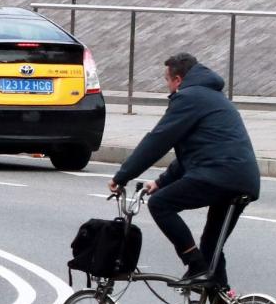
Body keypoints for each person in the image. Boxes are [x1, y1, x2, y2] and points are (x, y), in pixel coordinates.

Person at [108, 52, 261, 288]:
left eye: (167, 81)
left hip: (219, 175)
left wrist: (123, 176)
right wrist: (160, 182)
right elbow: (196, 152)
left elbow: (158, 140)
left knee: (160, 204)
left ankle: (193, 262)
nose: (167, 87)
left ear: (178, 79)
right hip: (242, 179)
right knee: (211, 247)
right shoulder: (212, 96)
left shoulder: (188, 97)